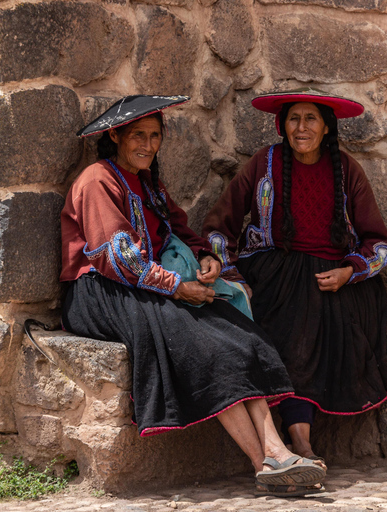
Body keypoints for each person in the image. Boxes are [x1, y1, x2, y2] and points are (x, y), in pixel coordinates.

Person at [60, 95, 326, 496]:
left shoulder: (148, 183)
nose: (148, 145)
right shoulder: (99, 180)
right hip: (99, 293)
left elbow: (180, 229)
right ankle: (264, 462)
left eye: (155, 136)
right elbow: (119, 258)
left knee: (241, 336)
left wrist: (206, 256)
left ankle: (276, 452)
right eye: (138, 136)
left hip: (144, 285)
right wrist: (177, 287)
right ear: (115, 135)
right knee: (205, 343)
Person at [202, 88, 387, 461]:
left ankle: (299, 438)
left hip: (336, 279)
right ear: (282, 125)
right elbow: (219, 224)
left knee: (317, 318)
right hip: (273, 272)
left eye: (311, 119)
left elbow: (379, 243)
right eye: (294, 118)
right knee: (292, 322)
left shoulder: (346, 170)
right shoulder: (265, 162)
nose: (301, 127)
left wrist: (349, 271)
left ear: (326, 127)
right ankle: (299, 439)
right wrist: (229, 271)